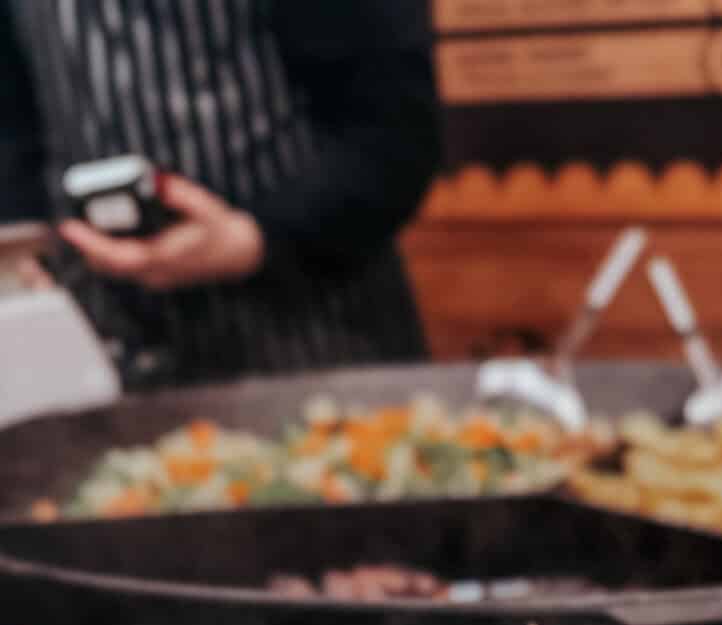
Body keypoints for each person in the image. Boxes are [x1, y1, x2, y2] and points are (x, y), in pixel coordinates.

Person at [0, 0, 441, 385]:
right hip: (98, 351)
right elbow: (15, 127)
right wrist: (28, 244)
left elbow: (395, 137)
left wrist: (250, 239)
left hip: (312, 338)